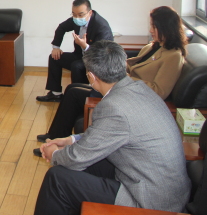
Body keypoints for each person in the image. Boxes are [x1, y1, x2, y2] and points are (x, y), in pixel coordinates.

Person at [34, 40, 190, 215]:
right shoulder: (138, 88)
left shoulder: (113, 107)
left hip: (150, 200)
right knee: (73, 165)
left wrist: (54, 153)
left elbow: (79, 157)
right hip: (156, 183)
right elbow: (105, 135)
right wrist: (71, 140)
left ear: (91, 77)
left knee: (56, 179)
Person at [34, 6, 186, 153]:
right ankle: (55, 138)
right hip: (120, 87)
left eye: (154, 26)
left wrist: (125, 78)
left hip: (132, 96)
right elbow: (130, 65)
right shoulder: (154, 46)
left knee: (74, 93)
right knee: (72, 88)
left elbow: (159, 92)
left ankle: (56, 142)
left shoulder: (173, 56)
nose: (151, 30)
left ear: (165, 27)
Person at [36, 0, 113, 102]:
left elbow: (102, 53)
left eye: (80, 15)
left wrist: (85, 46)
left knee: (76, 65)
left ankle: (78, 98)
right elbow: (61, 27)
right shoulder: (76, 20)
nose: (77, 18)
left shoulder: (101, 26)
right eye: (74, 14)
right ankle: (55, 94)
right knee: (54, 57)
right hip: (80, 56)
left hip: (96, 61)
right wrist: (56, 47)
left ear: (90, 13)